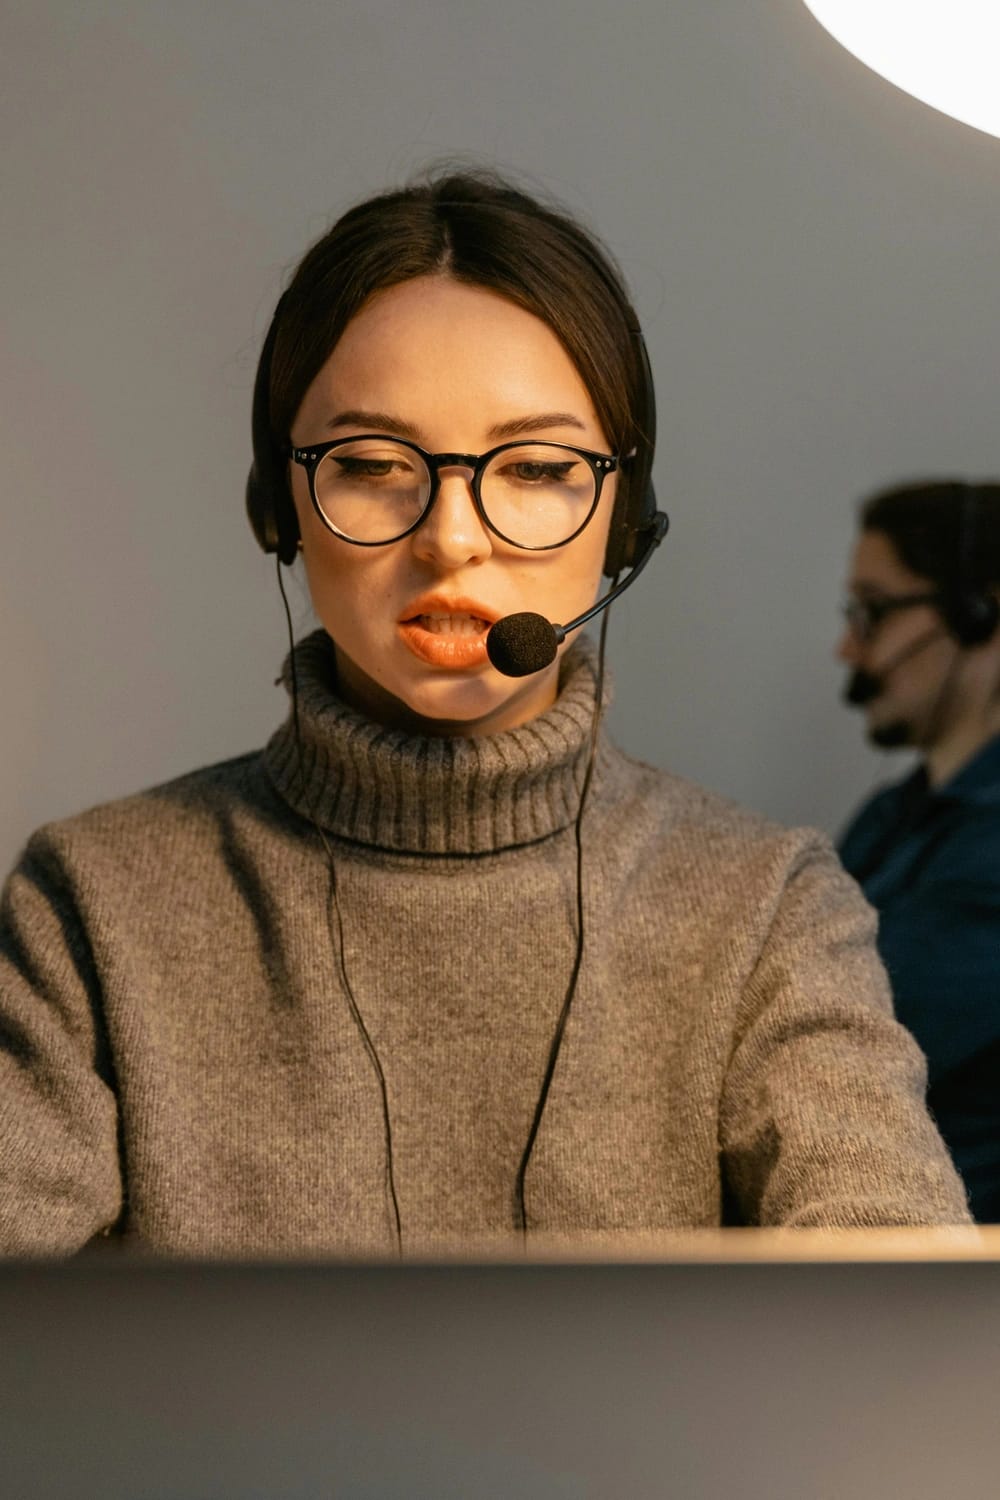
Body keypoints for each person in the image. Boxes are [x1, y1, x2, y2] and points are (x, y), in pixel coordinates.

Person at [0, 172, 969, 1256]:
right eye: (369, 464)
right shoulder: (90, 906)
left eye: (539, 468)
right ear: (278, 508)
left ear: (623, 523)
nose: (451, 538)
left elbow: (895, 1338)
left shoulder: (767, 908)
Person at [837, 479, 1000, 1222]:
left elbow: (847, 1041)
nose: (848, 647)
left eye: (874, 613)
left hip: (947, 1290)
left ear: (977, 616)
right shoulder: (890, 817)